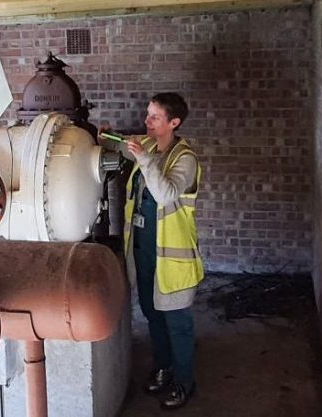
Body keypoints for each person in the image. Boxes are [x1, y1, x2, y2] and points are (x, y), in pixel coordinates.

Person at [106, 92, 204, 409]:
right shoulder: (147, 145)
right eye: (148, 115)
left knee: (177, 322)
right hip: (144, 250)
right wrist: (101, 134)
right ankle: (163, 368)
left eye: (154, 117)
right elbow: (121, 144)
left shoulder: (185, 159)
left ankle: (184, 381)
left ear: (174, 123)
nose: (146, 122)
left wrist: (144, 160)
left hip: (172, 257)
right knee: (152, 316)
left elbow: (166, 194)